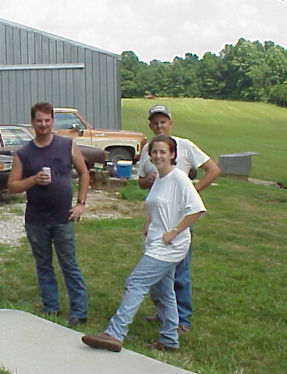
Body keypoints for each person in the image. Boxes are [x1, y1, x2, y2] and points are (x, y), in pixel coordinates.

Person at [82, 135, 206, 352]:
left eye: (163, 152)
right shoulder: (158, 178)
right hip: (156, 241)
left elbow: (197, 209)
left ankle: (114, 333)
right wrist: (148, 222)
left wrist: (174, 232)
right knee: (164, 292)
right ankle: (169, 339)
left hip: (170, 246)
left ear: (172, 155)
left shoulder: (178, 178)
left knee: (135, 283)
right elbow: (155, 205)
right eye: (154, 152)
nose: (158, 156)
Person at [138, 104, 221, 333]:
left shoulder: (184, 146)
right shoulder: (148, 150)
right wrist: (149, 180)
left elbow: (214, 169)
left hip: (179, 219)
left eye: (163, 122)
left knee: (180, 271)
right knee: (158, 269)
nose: (159, 126)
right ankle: (163, 313)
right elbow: (141, 182)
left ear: (170, 123)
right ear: (150, 126)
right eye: (155, 123)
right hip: (157, 218)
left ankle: (182, 319)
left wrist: (192, 192)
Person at [7, 101, 90, 327]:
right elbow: (12, 186)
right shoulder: (23, 153)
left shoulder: (67, 145)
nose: (43, 124)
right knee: (43, 264)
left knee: (69, 264)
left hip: (63, 217)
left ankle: (79, 311)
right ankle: (50, 307)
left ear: (53, 121)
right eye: (39, 120)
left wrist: (81, 203)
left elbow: (84, 173)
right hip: (36, 219)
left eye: (47, 120)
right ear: (32, 123)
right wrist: (33, 180)